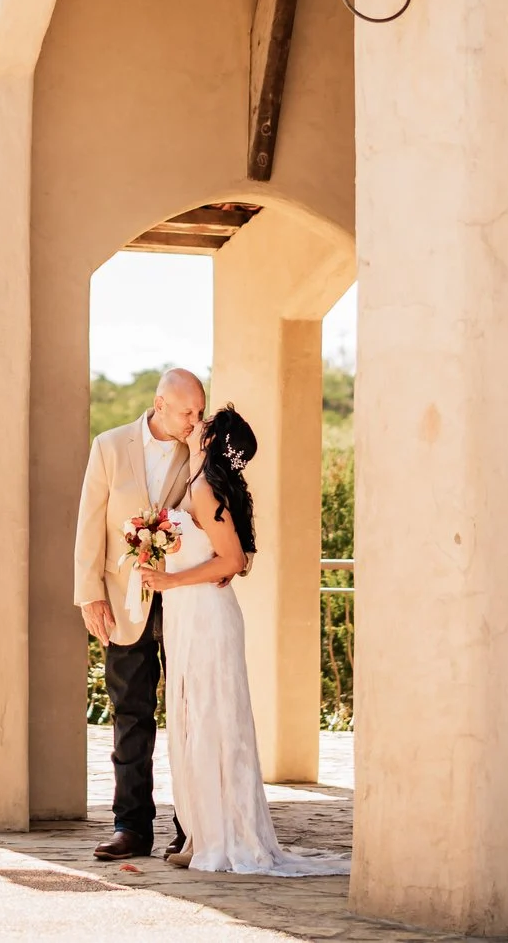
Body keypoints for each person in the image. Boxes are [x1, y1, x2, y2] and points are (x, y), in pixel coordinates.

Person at [139, 405, 349, 876]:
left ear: (213, 443)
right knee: (194, 720)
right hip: (187, 615)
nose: (196, 426)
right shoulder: (198, 480)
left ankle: (223, 836)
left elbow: (232, 560)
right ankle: (202, 833)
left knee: (214, 721)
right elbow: (216, 548)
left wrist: (170, 580)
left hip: (207, 618)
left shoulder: (209, 488)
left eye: (205, 425)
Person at [73, 367, 204, 862]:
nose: (195, 420)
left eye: (199, 410)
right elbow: (89, 523)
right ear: (159, 403)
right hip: (122, 601)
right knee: (131, 713)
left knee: (189, 713)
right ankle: (131, 827)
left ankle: (189, 826)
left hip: (184, 600)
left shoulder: (200, 450)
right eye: (188, 411)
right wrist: (90, 595)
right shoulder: (109, 446)